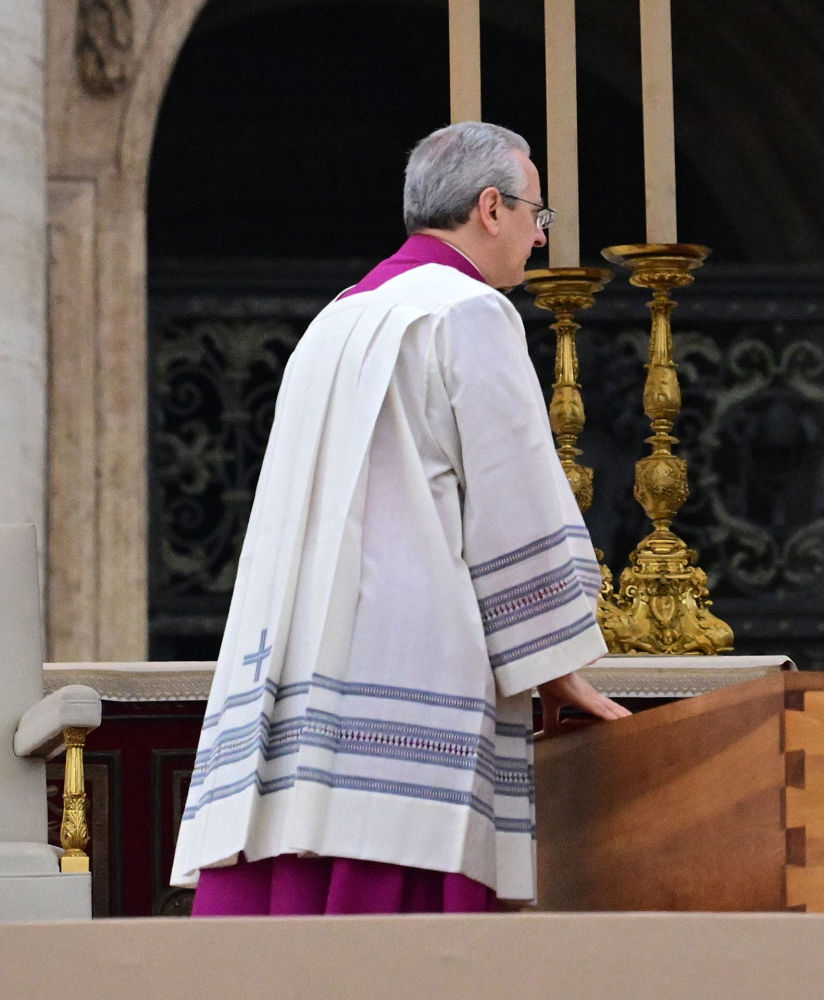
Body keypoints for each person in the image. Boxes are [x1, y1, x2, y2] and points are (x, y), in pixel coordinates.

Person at [171, 121, 629, 915]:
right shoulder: (469, 313)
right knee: (401, 904)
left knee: (299, 889)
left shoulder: (335, 319)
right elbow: (511, 495)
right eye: (537, 215)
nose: (539, 237)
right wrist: (554, 659)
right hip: (412, 656)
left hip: (303, 655)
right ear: (491, 208)